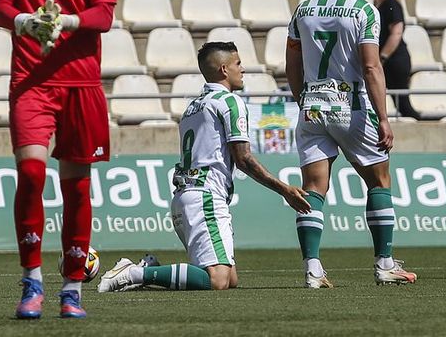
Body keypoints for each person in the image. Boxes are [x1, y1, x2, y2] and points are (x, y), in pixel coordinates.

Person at [0, 0, 116, 319]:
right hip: (32, 80)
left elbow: (104, 14)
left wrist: (65, 20)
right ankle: (31, 281)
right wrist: (24, 20)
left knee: (77, 189)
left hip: (81, 81)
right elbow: (1, 6)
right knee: (31, 175)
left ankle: (71, 289)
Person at [97, 42, 311, 292]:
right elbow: (243, 159)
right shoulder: (229, 102)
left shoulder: (192, 107)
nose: (243, 70)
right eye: (238, 64)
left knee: (230, 279)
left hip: (186, 196)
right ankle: (135, 272)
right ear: (223, 69)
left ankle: (149, 268)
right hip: (204, 196)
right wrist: (284, 189)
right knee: (217, 279)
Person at [285, 0, 417, 289]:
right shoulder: (364, 10)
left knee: (313, 188)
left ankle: (313, 269)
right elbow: (372, 67)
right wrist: (384, 118)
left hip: (313, 105)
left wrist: (303, 99)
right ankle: (385, 263)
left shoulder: (304, 9)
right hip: (351, 104)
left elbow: (292, 64)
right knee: (378, 181)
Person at [362, 0, 420, 120]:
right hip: (385, 60)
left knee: (402, 104)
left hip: (394, 60)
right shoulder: (377, 4)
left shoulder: (390, 4)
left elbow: (396, 33)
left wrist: (382, 57)